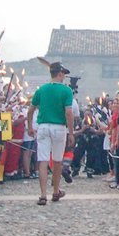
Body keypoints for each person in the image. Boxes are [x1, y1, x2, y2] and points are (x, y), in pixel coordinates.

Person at [28, 63, 75, 204]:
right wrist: (71, 132)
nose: (64, 76)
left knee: (42, 160)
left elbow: (30, 110)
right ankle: (55, 191)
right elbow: (68, 112)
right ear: (60, 74)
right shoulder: (67, 91)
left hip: (43, 126)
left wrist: (29, 127)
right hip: (58, 127)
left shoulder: (41, 89)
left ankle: (43, 195)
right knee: (57, 161)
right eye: (64, 74)